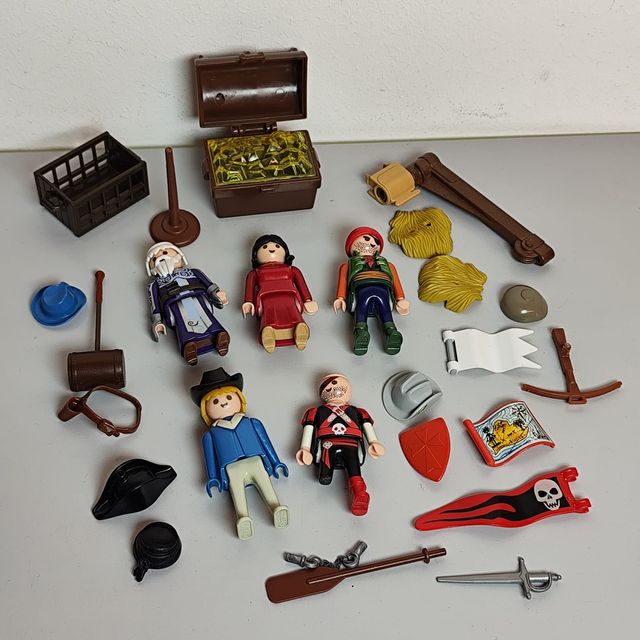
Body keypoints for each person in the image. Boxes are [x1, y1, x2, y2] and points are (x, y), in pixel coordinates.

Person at [192, 368, 289, 540]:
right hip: (231, 468)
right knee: (237, 491)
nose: (223, 403)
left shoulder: (252, 423)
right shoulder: (211, 434)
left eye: (229, 398)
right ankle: (242, 517)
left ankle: (276, 507)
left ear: (240, 399)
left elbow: (266, 443)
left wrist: (275, 462)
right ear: (205, 409)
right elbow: (210, 457)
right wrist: (213, 477)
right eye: (215, 401)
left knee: (265, 482)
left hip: (256, 461)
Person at [297, 374, 385, 516]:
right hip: (327, 443)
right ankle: (328, 475)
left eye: (338, 387)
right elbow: (309, 427)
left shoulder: (358, 411)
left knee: (353, 466)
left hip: (351, 443)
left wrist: (373, 441)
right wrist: (305, 448)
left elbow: (366, 425)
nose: (334, 390)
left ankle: (359, 492)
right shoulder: (316, 411)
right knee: (325, 476)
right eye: (329, 388)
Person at [146, 242, 230, 365]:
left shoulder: (194, 272)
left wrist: (216, 293)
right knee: (182, 324)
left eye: (165, 252)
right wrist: (157, 321)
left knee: (207, 318)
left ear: (180, 256)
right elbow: (154, 303)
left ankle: (219, 337)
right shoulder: (155, 284)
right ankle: (189, 347)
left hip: (197, 299)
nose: (162, 258)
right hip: (175, 305)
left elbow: (208, 284)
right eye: (155, 259)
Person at [333, 227, 410, 355]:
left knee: (384, 305)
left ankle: (391, 331)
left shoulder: (387, 264)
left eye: (374, 242)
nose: (370, 245)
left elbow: (395, 280)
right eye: (365, 240)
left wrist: (400, 298)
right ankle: (361, 332)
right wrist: (340, 297)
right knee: (362, 304)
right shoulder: (348, 265)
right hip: (360, 288)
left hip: (383, 288)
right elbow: (343, 280)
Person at [242, 234, 318, 352]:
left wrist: (307, 299)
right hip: (266, 300)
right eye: (265, 247)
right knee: (269, 317)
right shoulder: (255, 273)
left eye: (277, 246)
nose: (271, 250)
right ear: (256, 254)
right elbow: (249, 288)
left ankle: (299, 332)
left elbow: (302, 285)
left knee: (294, 314)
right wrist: (248, 301)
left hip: (290, 297)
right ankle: (269, 334)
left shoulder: (292, 270)